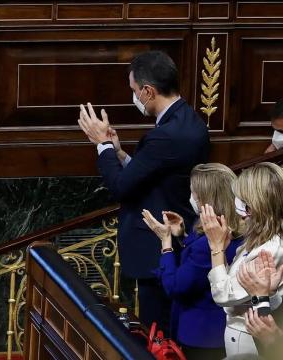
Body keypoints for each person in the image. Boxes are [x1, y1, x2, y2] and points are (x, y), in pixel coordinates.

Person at [77, 50, 210, 329]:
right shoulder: (190, 121)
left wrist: (101, 145)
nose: (134, 96)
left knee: (158, 333)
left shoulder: (164, 136)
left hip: (159, 246)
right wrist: (121, 154)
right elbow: (157, 172)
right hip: (176, 238)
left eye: (135, 90)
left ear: (148, 91)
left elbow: (121, 187)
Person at [142, 163, 243, 360]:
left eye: (194, 193)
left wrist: (166, 243)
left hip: (202, 336)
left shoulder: (207, 244)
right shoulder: (236, 229)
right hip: (224, 333)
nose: (191, 198)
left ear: (206, 199)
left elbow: (175, 286)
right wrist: (182, 235)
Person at [202, 162, 283, 356]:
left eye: (241, 201)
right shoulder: (258, 240)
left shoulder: (269, 250)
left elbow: (224, 295)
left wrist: (216, 249)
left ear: (254, 205)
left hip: (250, 338)